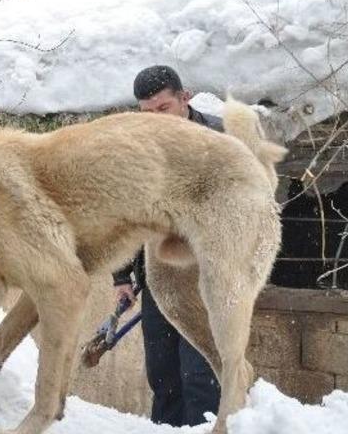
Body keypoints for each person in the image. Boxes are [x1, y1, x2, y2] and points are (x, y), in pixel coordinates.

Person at [112, 65, 221, 426]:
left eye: (163, 109)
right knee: (164, 379)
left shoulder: (221, 139)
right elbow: (125, 216)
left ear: (184, 98)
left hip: (207, 282)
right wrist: (121, 277)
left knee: (200, 378)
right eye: (147, 113)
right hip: (158, 280)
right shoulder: (136, 153)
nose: (156, 120)